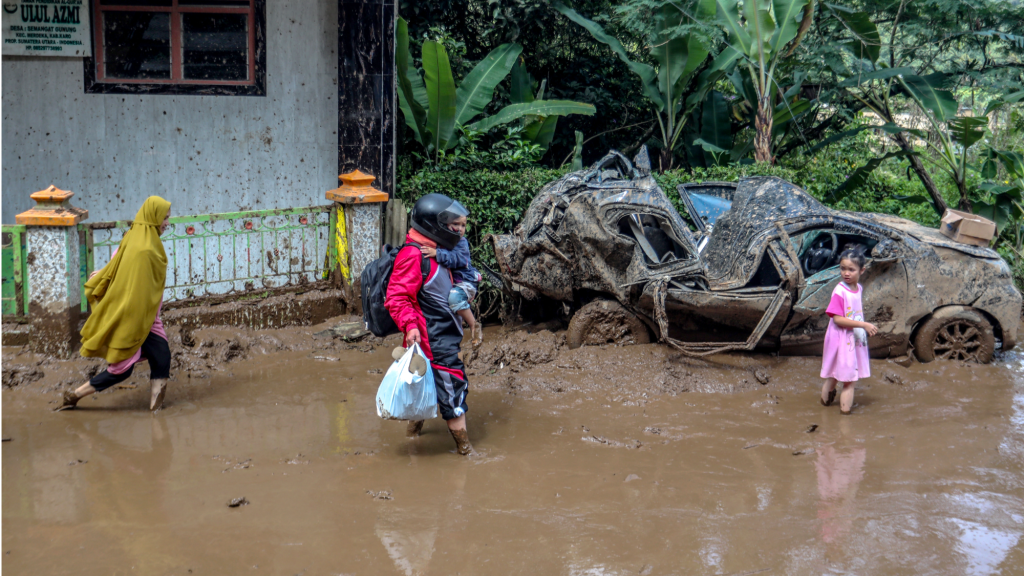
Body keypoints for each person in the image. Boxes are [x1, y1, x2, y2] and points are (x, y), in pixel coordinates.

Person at [56, 196, 173, 412]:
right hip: (134, 316)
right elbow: (127, 269)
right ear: (153, 217)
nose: (167, 223)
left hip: (148, 317)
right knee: (122, 369)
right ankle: (74, 395)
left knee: (162, 357)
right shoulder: (144, 249)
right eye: (164, 218)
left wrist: (104, 272)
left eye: (167, 218)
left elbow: (119, 262)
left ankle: (156, 411)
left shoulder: (137, 237)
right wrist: (105, 276)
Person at [386, 193, 475, 455]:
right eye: (451, 225)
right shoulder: (413, 255)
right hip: (433, 340)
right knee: (453, 389)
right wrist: (411, 326)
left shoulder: (437, 249)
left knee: (421, 388)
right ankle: (466, 450)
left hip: (436, 336)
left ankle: (413, 437)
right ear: (435, 226)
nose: (457, 230)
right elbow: (397, 297)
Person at [819, 245, 877, 415]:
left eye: (851, 269)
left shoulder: (858, 289)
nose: (846, 273)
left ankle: (824, 408)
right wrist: (864, 325)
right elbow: (837, 318)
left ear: (862, 270)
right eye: (843, 268)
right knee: (849, 381)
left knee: (835, 375)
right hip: (841, 338)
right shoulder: (839, 291)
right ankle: (845, 419)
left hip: (851, 338)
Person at [418, 213, 484, 347]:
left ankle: (474, 326)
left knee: (454, 299)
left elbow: (459, 259)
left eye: (463, 225)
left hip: (466, 282)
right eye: (456, 224)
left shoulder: (462, 242)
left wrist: (438, 254)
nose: (460, 228)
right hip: (455, 284)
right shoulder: (443, 241)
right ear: (446, 225)